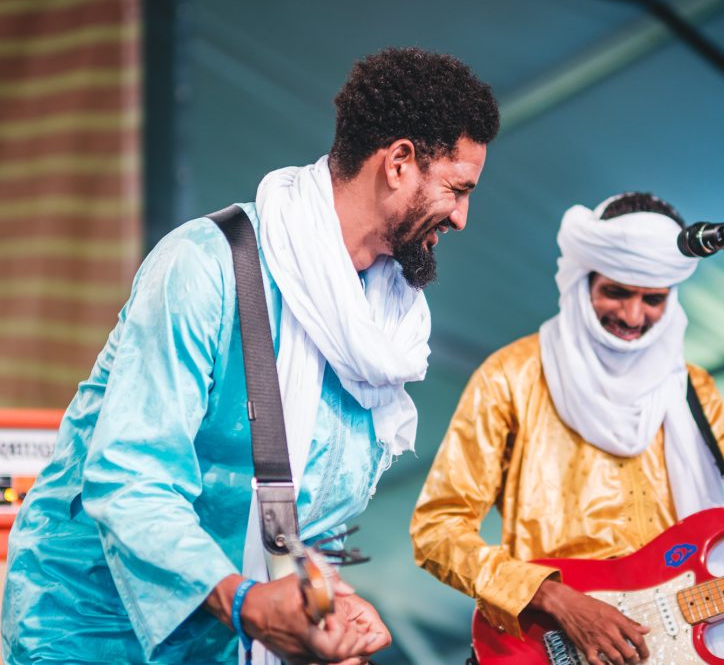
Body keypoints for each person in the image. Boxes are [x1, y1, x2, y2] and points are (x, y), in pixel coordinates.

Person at [2, 47, 499, 664]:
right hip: (91, 635)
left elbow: (292, 522)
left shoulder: (381, 323)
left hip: (225, 644)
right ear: (399, 162)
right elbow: (131, 477)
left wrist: (326, 605)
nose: (462, 216)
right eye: (456, 189)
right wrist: (246, 604)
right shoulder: (205, 266)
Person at [410, 193, 724, 665]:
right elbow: (437, 530)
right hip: (552, 645)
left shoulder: (694, 390)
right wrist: (558, 600)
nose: (634, 316)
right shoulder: (511, 375)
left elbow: (718, 572)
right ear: (582, 282)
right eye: (617, 292)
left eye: (654, 298)